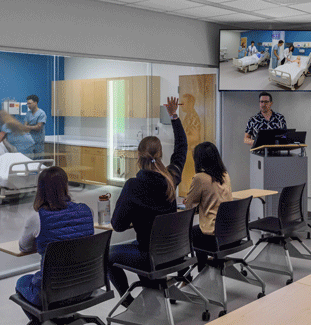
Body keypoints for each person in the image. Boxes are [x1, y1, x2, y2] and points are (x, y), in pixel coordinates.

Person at [107, 97, 186, 307]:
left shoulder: (133, 186)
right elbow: (182, 149)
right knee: (138, 246)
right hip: (176, 252)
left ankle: (129, 303)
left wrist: (136, 216)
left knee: (108, 255)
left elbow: (118, 225)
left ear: (138, 156)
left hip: (151, 255)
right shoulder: (171, 178)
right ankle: (156, 288)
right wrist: (174, 116)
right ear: (160, 154)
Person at [15, 166, 94, 318]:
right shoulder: (86, 211)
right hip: (86, 287)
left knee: (22, 282)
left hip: (53, 293)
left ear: (40, 189)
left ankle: (46, 322)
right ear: (66, 186)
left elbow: (23, 247)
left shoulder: (37, 218)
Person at [182, 142, 232, 273]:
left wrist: (190, 201)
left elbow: (189, 206)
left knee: (186, 234)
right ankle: (206, 267)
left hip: (213, 234)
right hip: (230, 232)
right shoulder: (225, 175)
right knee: (197, 232)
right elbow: (214, 200)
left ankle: (197, 272)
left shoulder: (200, 178)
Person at [24, 95, 47, 159]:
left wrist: (28, 126)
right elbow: (24, 126)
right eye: (27, 104)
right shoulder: (28, 113)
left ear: (35, 103)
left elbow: (38, 128)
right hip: (29, 141)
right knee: (29, 160)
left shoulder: (41, 113)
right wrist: (32, 126)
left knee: (38, 160)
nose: (28, 105)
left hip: (38, 142)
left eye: (30, 103)